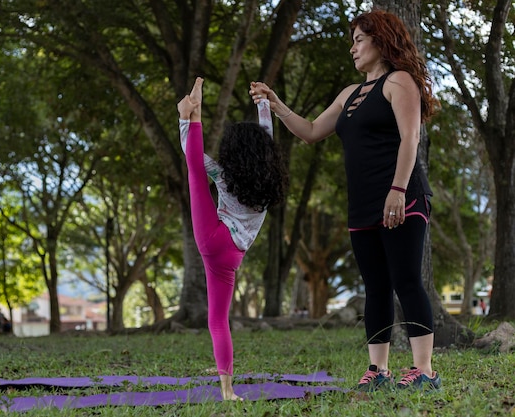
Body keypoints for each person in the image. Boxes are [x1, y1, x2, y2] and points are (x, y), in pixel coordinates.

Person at [250, 10, 441, 392]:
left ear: (380, 40)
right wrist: (275, 103)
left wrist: (398, 190)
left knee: (405, 279)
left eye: (358, 39)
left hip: (400, 197)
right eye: (352, 41)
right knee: (375, 286)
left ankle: (425, 371)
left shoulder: (399, 81)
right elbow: (310, 131)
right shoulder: (349, 94)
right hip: (364, 203)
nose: (352, 48)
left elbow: (410, 139)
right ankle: (379, 369)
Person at [178, 77, 288, 400]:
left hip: (213, 238)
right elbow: (265, 137)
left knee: (196, 175)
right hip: (231, 256)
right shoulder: (267, 185)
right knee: (218, 321)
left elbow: (194, 159)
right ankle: (227, 390)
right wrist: (263, 103)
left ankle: (190, 114)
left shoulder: (225, 176)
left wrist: (187, 125)